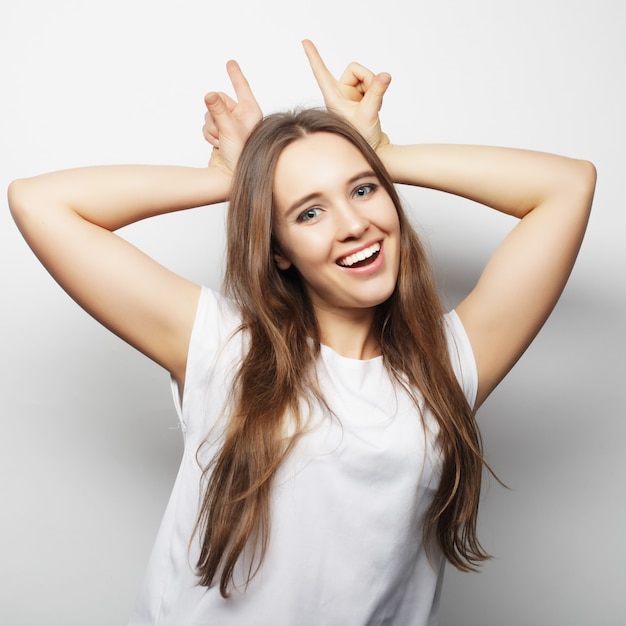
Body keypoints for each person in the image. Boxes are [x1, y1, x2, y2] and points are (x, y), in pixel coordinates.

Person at [8, 40, 595, 626]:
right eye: (308, 212)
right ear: (278, 249)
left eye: (364, 189)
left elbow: (568, 187)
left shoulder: (448, 366)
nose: (354, 225)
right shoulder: (223, 347)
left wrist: (384, 151)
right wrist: (231, 181)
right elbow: (41, 203)